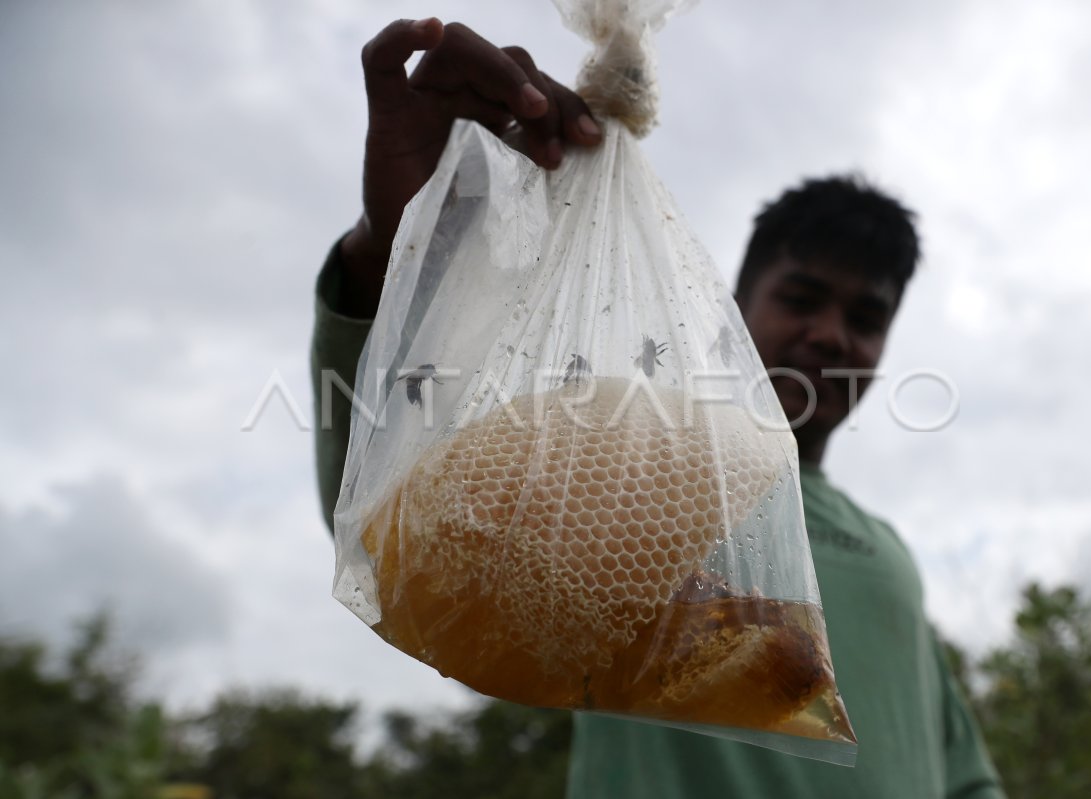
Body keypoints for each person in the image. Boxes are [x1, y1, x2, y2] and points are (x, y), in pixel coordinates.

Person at [310, 18, 1006, 798]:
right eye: (802, 298)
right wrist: (392, 250)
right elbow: (403, 529)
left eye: (866, 318)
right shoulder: (631, 465)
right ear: (732, 310)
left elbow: (964, 773)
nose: (831, 335)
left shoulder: (892, 556)